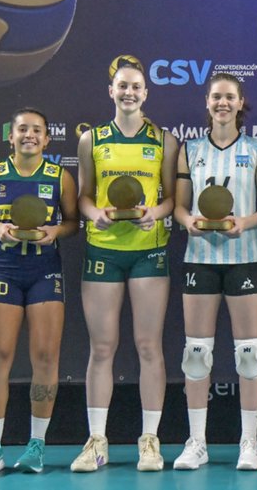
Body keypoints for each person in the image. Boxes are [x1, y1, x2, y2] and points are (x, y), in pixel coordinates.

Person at [71, 57, 178, 472]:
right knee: (102, 347)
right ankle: (96, 441)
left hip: (148, 250)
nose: (129, 92)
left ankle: (149, 441)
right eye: (122, 86)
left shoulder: (164, 140)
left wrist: (157, 212)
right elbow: (83, 195)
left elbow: (172, 197)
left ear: (145, 93)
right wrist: (93, 214)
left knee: (148, 346)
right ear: (111, 92)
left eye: (136, 87)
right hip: (103, 250)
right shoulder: (91, 140)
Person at [172, 73, 257, 471]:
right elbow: (180, 205)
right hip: (200, 259)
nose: (222, 103)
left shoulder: (256, 149)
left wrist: (244, 223)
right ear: (207, 101)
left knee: (249, 354)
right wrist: (188, 221)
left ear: (240, 102)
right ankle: (197, 442)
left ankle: (249, 442)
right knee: (196, 354)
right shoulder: (190, 149)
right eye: (216, 96)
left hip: (244, 258)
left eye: (229, 97)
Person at [0, 108, 79, 476]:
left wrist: (55, 232)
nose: (29, 135)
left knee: (45, 357)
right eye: (22, 130)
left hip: (44, 271)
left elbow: (73, 222)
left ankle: (36, 445)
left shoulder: (60, 177)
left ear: (47, 139)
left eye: (37, 130)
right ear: (10, 137)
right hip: (4, 270)